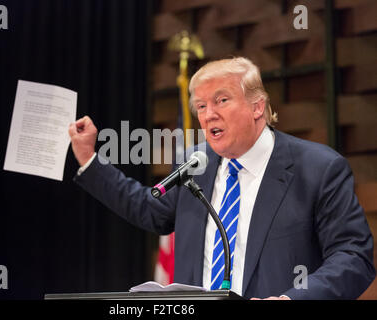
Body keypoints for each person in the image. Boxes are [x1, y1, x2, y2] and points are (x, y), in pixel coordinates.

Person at [68, 57, 375, 299]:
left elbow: (353, 257)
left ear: (257, 107)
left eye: (221, 100)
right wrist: (89, 159)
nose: (208, 114)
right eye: (201, 105)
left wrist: (292, 299)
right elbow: (148, 208)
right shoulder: (195, 165)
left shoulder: (318, 169)